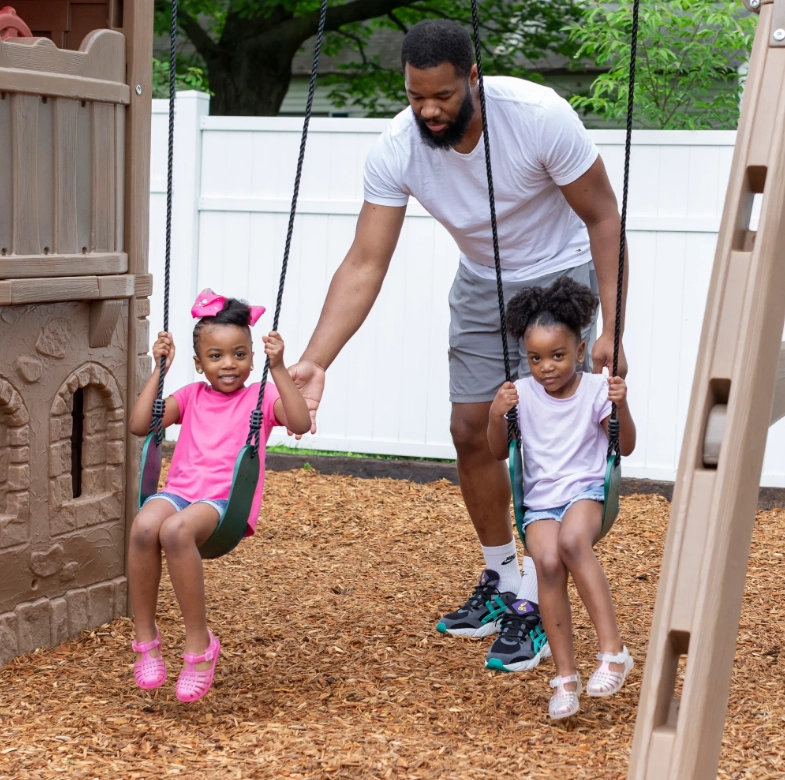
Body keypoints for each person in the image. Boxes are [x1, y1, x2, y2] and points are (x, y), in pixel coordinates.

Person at [286, 19, 629, 671]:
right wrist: (314, 359)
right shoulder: (398, 146)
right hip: (480, 281)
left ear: (472, 78)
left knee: (546, 435)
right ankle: (501, 578)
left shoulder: (536, 116)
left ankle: (535, 599)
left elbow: (602, 216)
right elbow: (364, 260)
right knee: (471, 428)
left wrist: (611, 326)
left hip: (562, 274)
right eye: (416, 96)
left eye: (441, 96)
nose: (429, 110)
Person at [127, 290, 311, 702]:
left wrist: (277, 367)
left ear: (251, 356)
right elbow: (141, 424)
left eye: (239, 354)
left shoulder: (259, 397)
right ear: (199, 363)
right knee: (143, 526)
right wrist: (160, 369)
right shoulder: (190, 396)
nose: (229, 364)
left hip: (223, 504)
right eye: (215, 356)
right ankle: (146, 638)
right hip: (180, 491)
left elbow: (299, 420)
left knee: (174, 532)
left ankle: (199, 644)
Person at [488, 277, 636, 718]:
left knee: (572, 544)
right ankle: (565, 680)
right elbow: (499, 451)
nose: (546, 367)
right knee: (547, 564)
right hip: (540, 503)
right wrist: (497, 414)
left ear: (579, 348)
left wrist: (621, 405)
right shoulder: (521, 394)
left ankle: (613, 651)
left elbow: (623, 446)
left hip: (587, 492)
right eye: (535, 358)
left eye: (557, 355)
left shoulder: (595, 389)